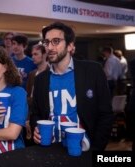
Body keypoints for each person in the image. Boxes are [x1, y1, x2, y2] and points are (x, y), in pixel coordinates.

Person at [30, 22, 113, 151]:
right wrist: (36, 128)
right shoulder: (41, 79)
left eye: (56, 41)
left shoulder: (92, 71)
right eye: (46, 42)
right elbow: (36, 114)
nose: (50, 47)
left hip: (83, 149)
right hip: (50, 149)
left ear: (70, 46)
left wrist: (96, 149)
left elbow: (105, 114)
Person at [25, 44, 49, 145]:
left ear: (44, 55)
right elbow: (28, 97)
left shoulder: (51, 73)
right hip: (31, 114)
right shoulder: (32, 74)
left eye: (36, 54)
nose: (33, 57)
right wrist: (26, 118)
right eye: (32, 54)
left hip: (45, 115)